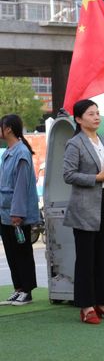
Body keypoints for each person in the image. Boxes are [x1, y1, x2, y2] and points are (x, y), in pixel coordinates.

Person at [62, 99, 104, 324]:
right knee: (86, 260)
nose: (97, 117)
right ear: (79, 119)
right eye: (91, 114)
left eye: (98, 113)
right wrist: (96, 178)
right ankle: (87, 307)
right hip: (85, 208)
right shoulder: (75, 143)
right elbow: (68, 175)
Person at [0, 114, 40, 306]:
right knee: (11, 252)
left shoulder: (21, 153)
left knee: (22, 252)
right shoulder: (10, 151)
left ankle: (27, 290)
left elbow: (22, 186)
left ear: (8, 129)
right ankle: (18, 289)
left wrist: (18, 213)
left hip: (16, 213)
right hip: (5, 211)